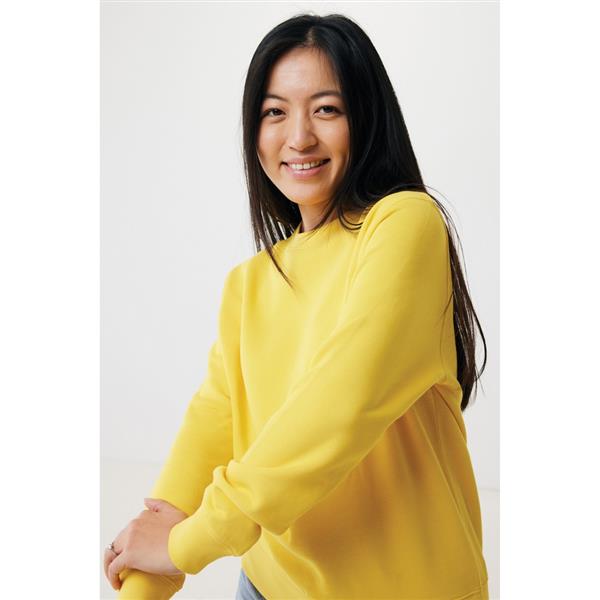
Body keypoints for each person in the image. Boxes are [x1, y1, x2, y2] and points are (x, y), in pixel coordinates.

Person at [104, 13, 490, 599]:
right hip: (265, 586)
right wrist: (148, 569)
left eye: (327, 109)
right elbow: (214, 421)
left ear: (366, 117)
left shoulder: (404, 223)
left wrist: (188, 543)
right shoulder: (250, 282)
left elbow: (340, 401)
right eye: (275, 112)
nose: (300, 137)